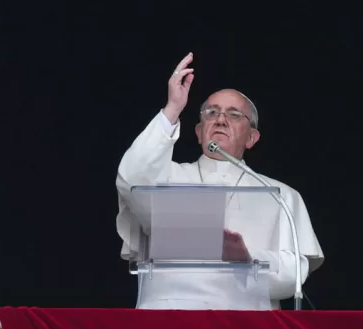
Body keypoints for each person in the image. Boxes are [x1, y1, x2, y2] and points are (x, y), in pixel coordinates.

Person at [116, 53, 323, 310]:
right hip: (168, 320)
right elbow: (131, 179)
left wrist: (247, 258)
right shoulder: (168, 177)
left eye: (234, 115)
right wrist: (172, 110)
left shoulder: (280, 195)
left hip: (246, 328)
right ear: (199, 132)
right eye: (211, 113)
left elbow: (295, 277)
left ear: (252, 138)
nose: (221, 119)